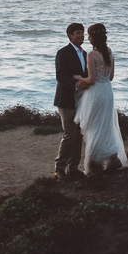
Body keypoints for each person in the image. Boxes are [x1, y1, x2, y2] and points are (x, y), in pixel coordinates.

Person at [74, 22, 128, 175]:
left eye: (89, 36)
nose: (88, 38)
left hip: (96, 93)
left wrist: (78, 77)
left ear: (93, 38)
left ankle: (95, 163)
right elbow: (110, 77)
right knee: (105, 125)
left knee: (94, 126)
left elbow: (91, 80)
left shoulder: (91, 54)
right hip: (107, 92)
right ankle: (111, 157)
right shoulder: (109, 53)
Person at [52, 22, 87, 179]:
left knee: (78, 135)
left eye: (82, 32)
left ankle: (73, 167)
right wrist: (75, 83)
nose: (80, 35)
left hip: (82, 100)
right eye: (77, 33)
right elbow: (60, 76)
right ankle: (59, 168)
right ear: (70, 35)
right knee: (69, 134)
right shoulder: (63, 53)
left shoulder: (86, 54)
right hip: (66, 99)